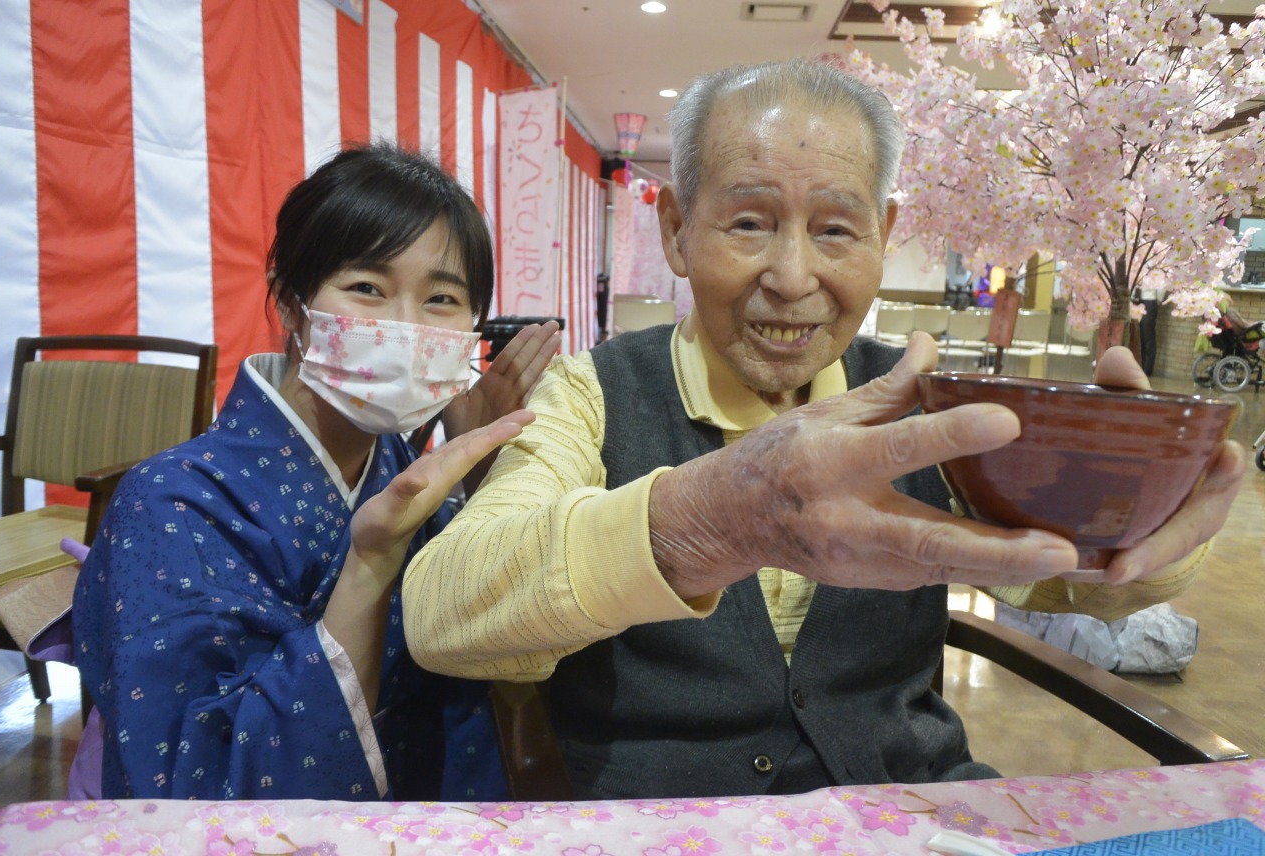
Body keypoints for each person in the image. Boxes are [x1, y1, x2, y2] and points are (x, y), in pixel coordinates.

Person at [403, 60, 1246, 800]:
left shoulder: (933, 404)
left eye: (836, 230)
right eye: (748, 223)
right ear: (677, 230)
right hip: (666, 825)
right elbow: (444, 613)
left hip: (915, 813)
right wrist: (706, 522)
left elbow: (1059, 580)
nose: (793, 276)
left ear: (884, 234)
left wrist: (1131, 512)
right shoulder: (590, 391)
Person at [72, 143, 561, 801]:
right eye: (367, 289)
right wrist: (370, 565)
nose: (405, 327)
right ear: (291, 304)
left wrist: (482, 483)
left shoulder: (406, 472)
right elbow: (193, 780)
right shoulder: (170, 504)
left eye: (441, 298)